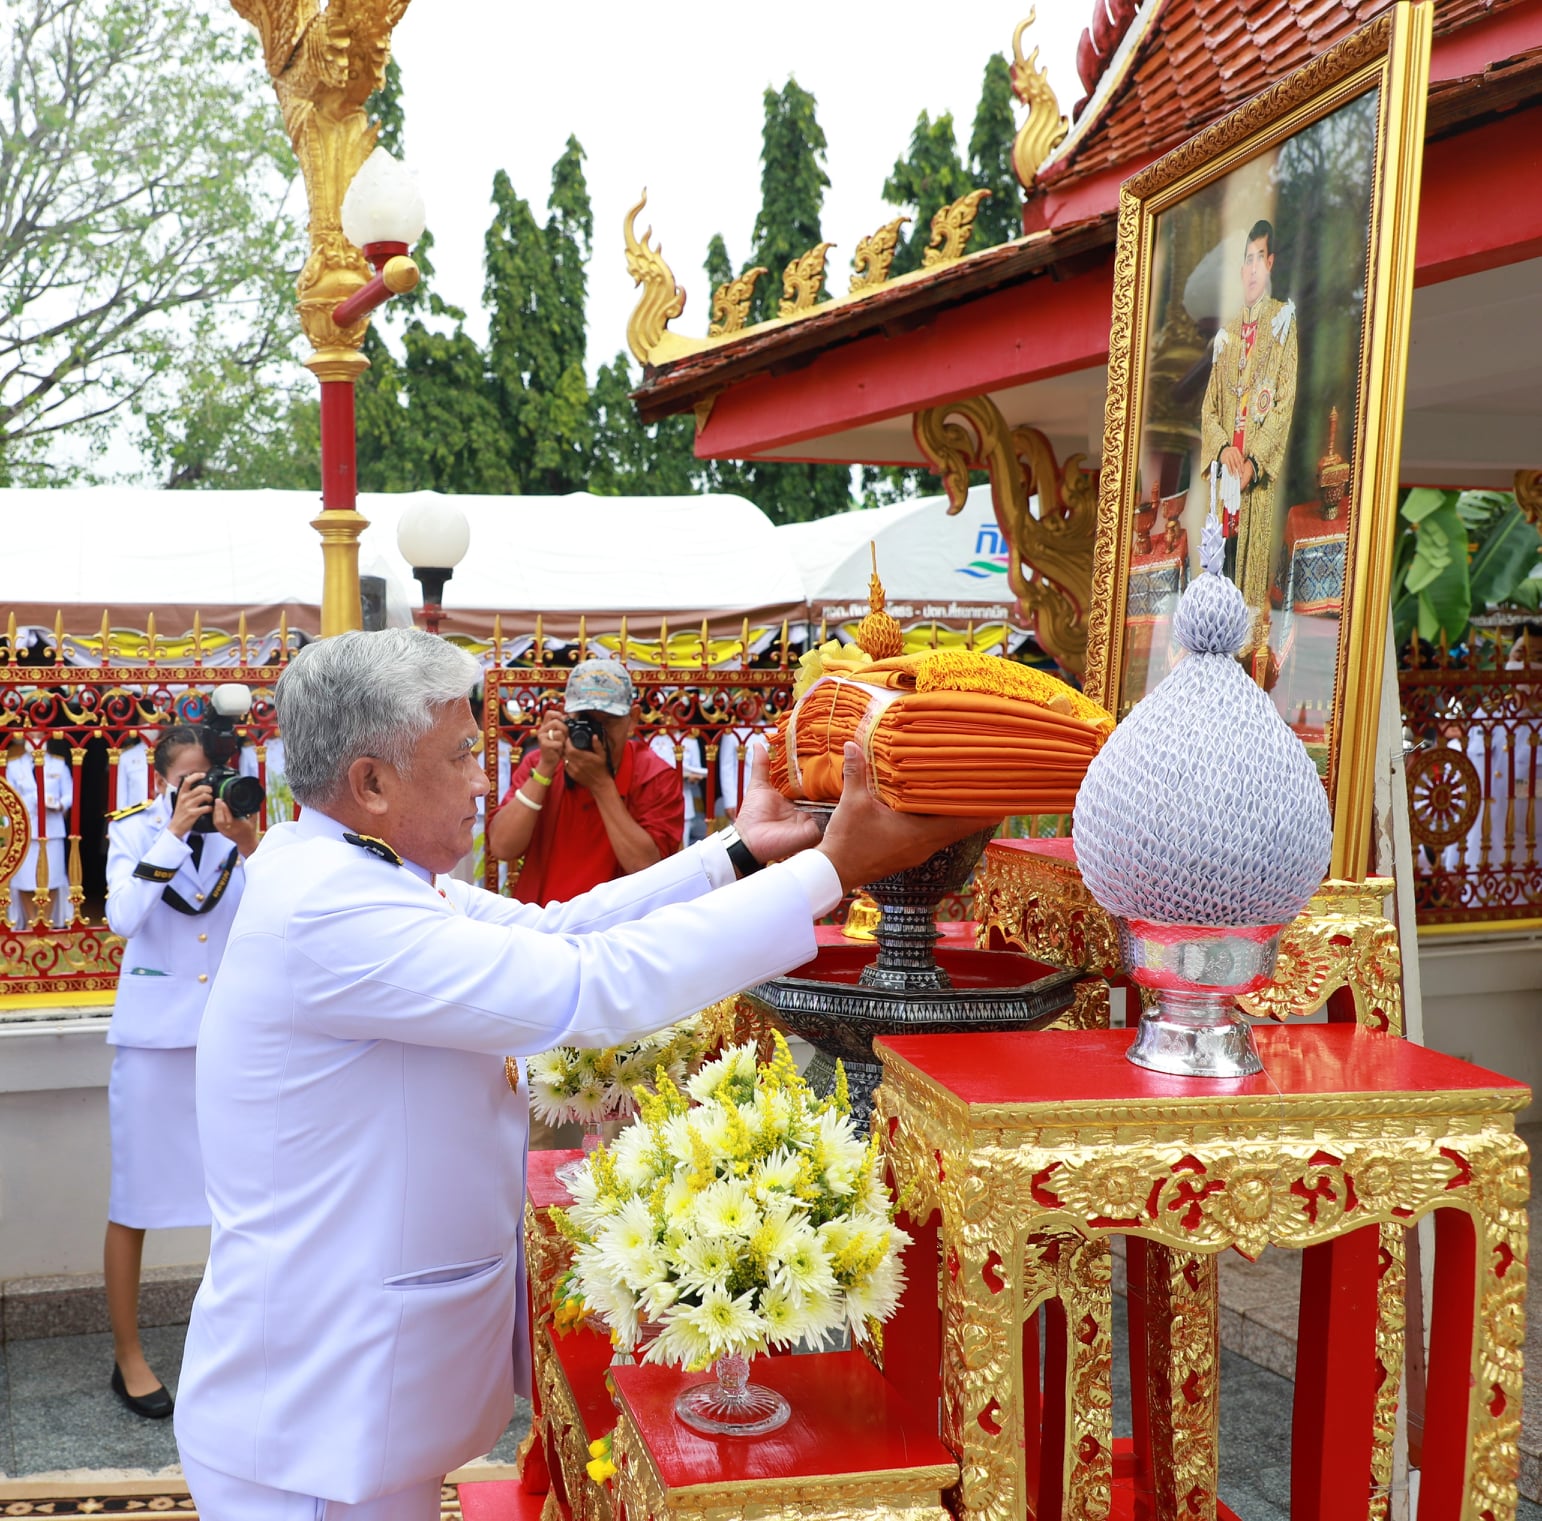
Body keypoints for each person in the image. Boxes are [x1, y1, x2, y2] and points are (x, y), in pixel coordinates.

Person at [172, 627, 987, 1520]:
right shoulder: (330, 907)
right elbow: (586, 984)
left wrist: (742, 851)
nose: (487, 781)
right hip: (310, 1428)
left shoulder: (360, 870)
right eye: (459, 756)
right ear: (371, 783)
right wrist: (834, 868)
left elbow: (557, 928)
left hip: (343, 1397)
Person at [103, 725, 260, 1418]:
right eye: (190, 778)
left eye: (212, 775)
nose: (203, 789)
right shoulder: (136, 833)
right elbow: (122, 915)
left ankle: (240, 1346)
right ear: (162, 778)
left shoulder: (244, 835)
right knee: (134, 1200)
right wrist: (173, 830)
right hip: (153, 1044)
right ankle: (127, 1354)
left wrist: (249, 841)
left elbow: (277, 909)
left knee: (247, 1200)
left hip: (228, 1041)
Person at [487, 657, 683, 903]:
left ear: (632, 719)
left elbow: (650, 870)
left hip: (617, 928)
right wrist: (545, 768)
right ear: (566, 716)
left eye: (608, 722)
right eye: (586, 720)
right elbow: (503, 847)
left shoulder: (654, 776)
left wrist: (601, 785)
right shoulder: (540, 763)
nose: (595, 733)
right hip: (545, 924)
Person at [1199, 217, 1299, 640]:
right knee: (1218, 574)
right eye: (1247, 260)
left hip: (1255, 481)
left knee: (1252, 590)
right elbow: (1209, 408)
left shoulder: (1282, 323)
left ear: (1271, 264)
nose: (1253, 268)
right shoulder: (1228, 335)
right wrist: (1223, 450)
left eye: (1260, 258)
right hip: (1225, 483)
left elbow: (1283, 400)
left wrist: (1253, 463)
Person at [6, 738, 73, 929]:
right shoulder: (13, 765)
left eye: (39, 733)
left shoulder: (58, 764)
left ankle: (47, 920)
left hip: (52, 827)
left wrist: (58, 804)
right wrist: (31, 800)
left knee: (52, 877)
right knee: (24, 879)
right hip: (25, 829)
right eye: (31, 734)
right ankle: (30, 921)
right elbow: (9, 794)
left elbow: (69, 793)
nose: (35, 739)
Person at [650, 732, 708, 846]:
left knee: (682, 848)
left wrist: (692, 778)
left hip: (683, 797)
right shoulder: (652, 739)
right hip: (658, 800)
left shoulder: (690, 741)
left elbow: (697, 770)